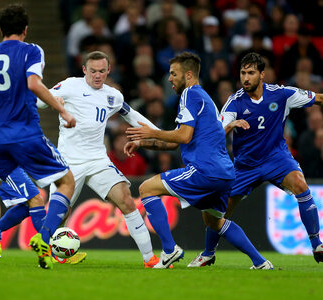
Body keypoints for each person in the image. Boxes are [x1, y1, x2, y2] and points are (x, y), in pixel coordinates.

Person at [125, 52, 273, 269]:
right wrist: (142, 142)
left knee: (147, 188)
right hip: (224, 174)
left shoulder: (190, 95)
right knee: (215, 221)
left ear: (188, 74)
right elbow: (176, 141)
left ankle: (168, 251)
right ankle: (260, 262)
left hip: (205, 169)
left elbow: (183, 136)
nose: (169, 79)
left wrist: (151, 132)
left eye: (173, 74)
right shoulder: (204, 99)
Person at [0, 4, 76, 270]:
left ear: (0, 30)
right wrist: (62, 110)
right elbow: (34, 83)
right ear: (25, 29)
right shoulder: (32, 50)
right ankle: (44, 238)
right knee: (66, 181)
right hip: (26, 133)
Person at [190, 52, 323, 267]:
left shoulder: (282, 94)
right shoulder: (234, 101)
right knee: (218, 212)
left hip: (276, 158)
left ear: (262, 75)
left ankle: (317, 244)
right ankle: (208, 253)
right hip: (245, 165)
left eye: (251, 73)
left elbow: (318, 98)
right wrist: (230, 125)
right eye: (243, 73)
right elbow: (217, 132)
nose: (246, 78)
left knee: (300, 184)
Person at [38, 51, 162, 268]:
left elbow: (131, 115)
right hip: (68, 162)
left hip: (97, 160)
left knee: (125, 199)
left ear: (108, 70)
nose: (97, 75)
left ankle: (150, 258)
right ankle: (50, 252)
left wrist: (159, 132)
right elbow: (40, 101)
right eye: (93, 71)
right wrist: (52, 101)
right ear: (84, 70)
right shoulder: (69, 85)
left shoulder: (113, 96)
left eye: (102, 71)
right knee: (60, 214)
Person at [0, 94, 86, 266]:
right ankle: (53, 251)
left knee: (27, 205)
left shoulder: (16, 86)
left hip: (13, 154)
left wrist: (53, 101)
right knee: (36, 199)